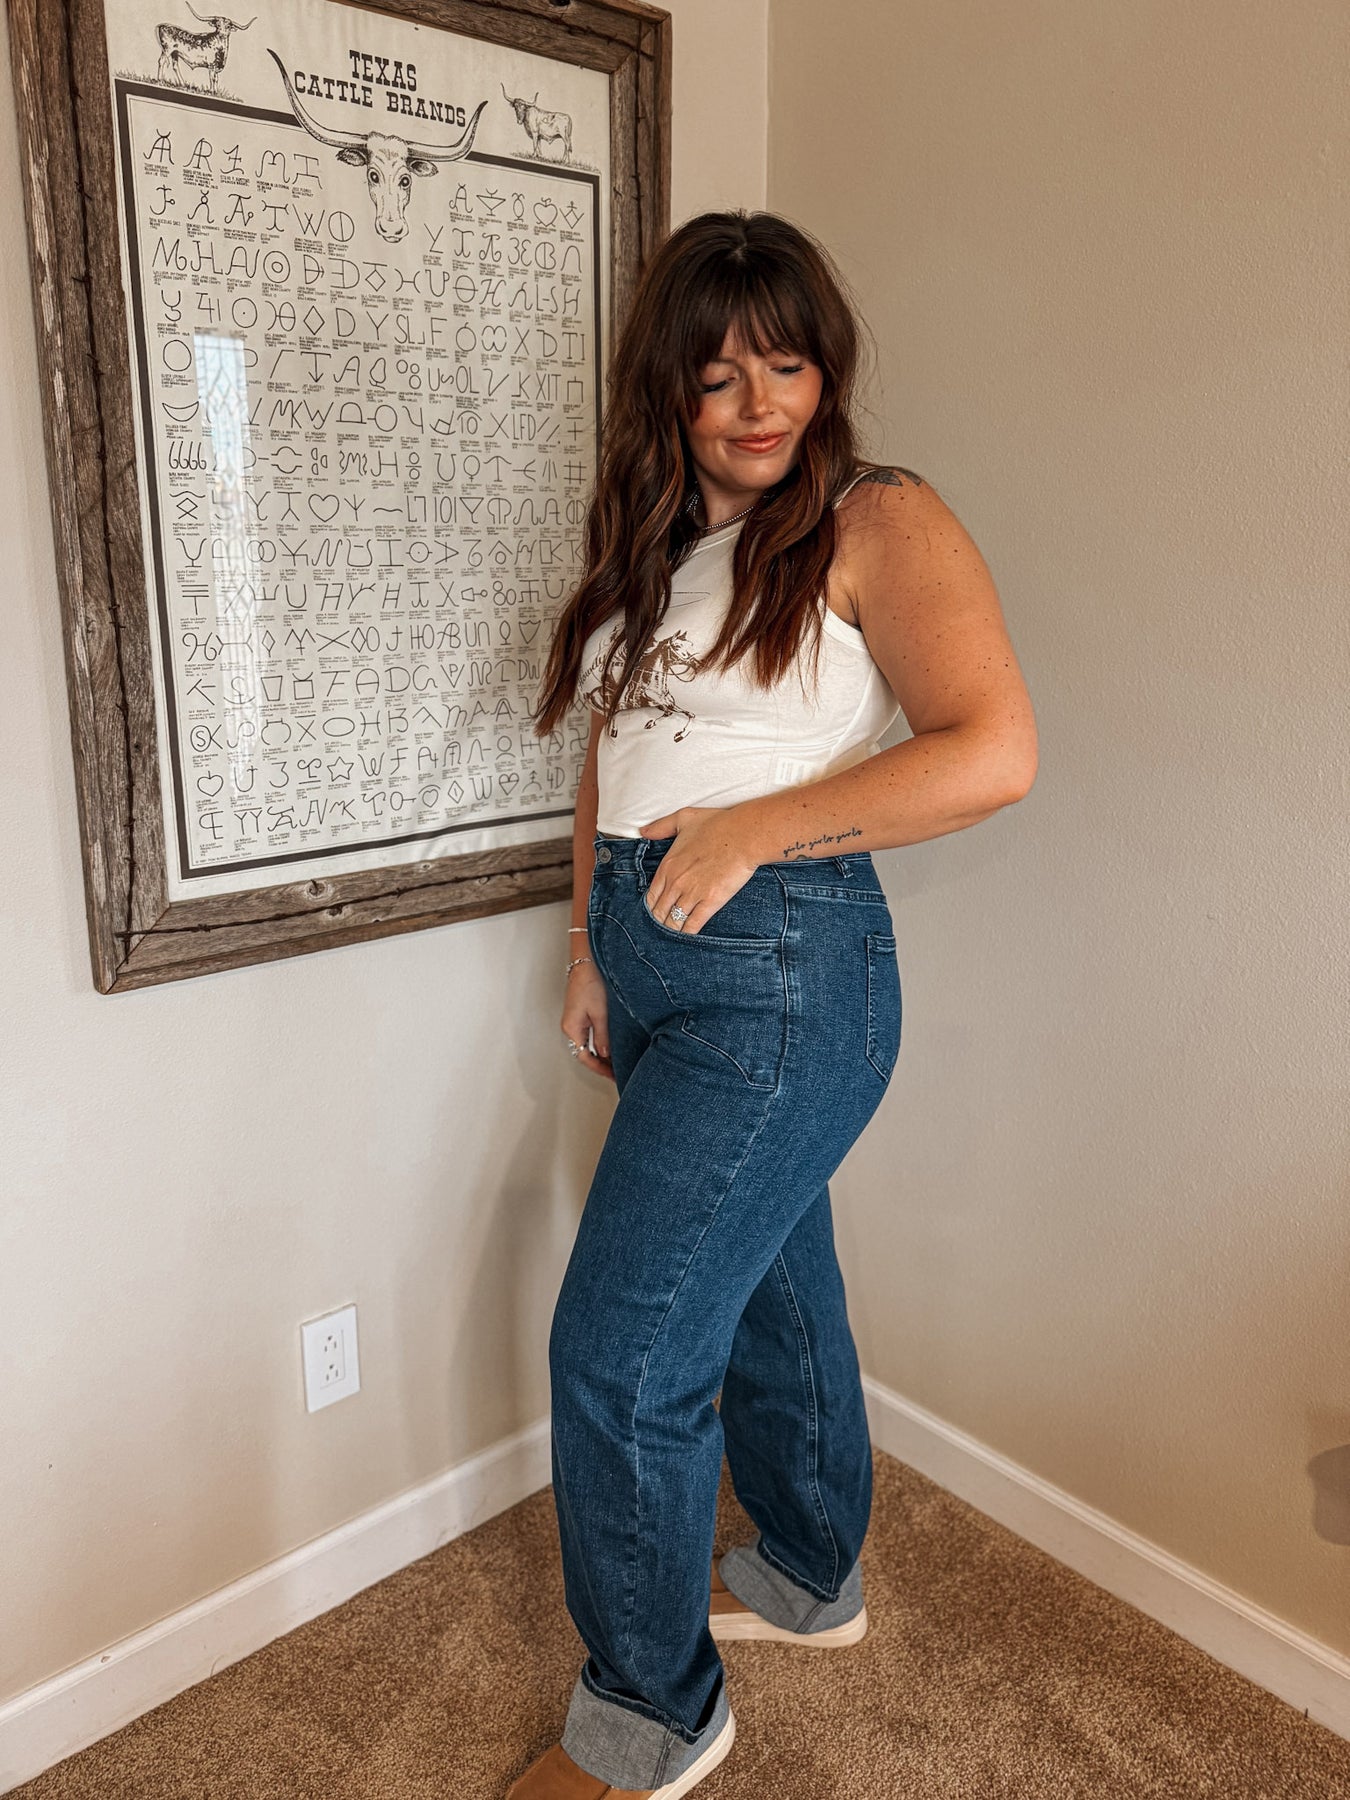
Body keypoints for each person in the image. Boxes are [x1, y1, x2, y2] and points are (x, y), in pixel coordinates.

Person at [517, 210, 1038, 1799]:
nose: (756, 404)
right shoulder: (656, 548)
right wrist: (589, 948)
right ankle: (811, 1574)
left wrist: (749, 831)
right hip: (656, 967)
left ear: (829, 371)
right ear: (665, 389)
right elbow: (612, 759)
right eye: (716, 374)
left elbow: (989, 750)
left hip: (782, 979)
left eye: (787, 364)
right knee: (768, 1289)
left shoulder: (878, 517)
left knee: (619, 1357)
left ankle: (650, 1720)